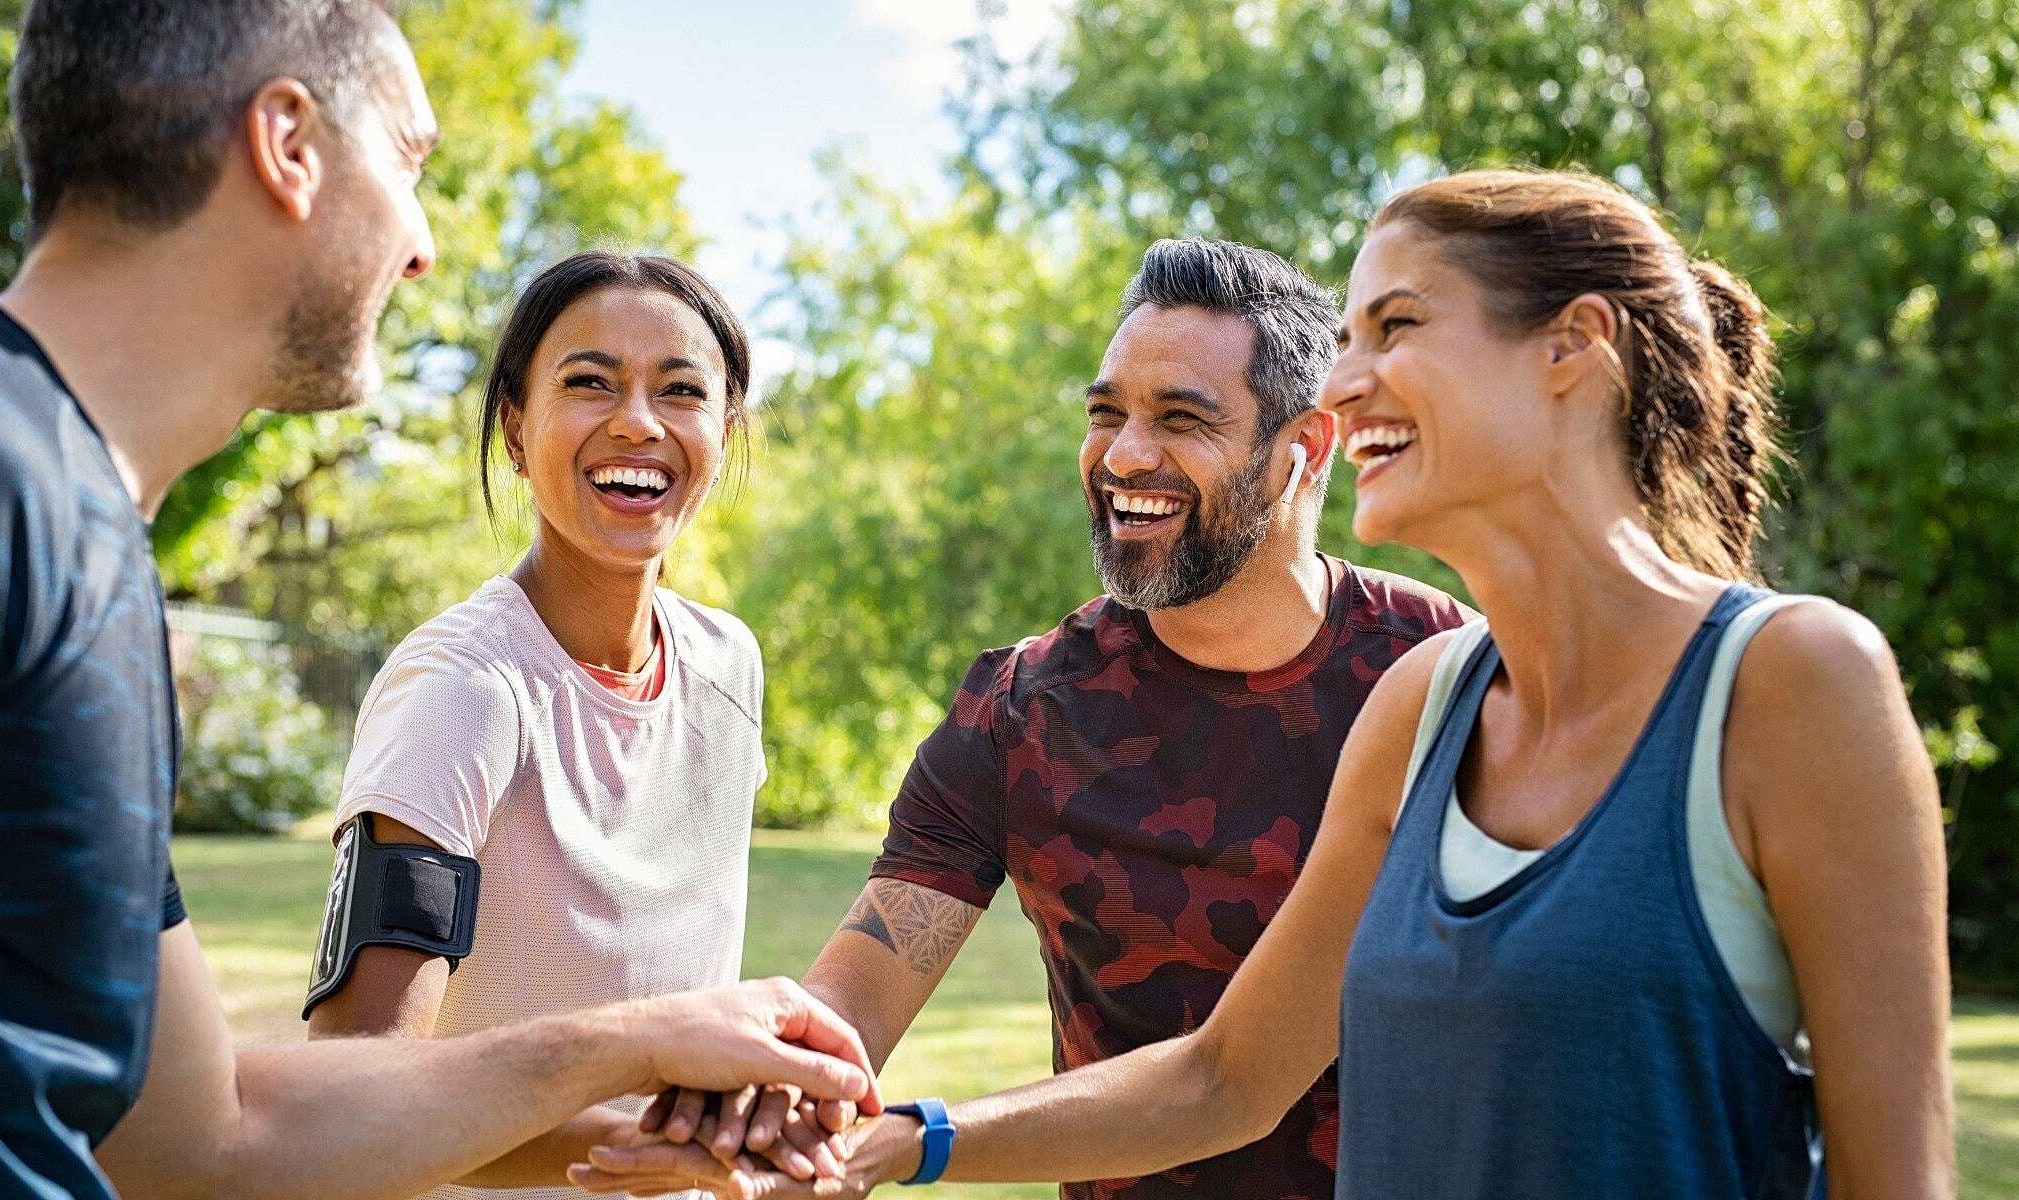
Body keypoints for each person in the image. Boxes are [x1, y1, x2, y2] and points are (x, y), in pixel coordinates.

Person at [579, 170, 1954, 1200]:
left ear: (1570, 348)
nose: (1353, 383)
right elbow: (1222, 1076)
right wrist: (857, 1128)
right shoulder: (1397, 711)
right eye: (1106, 411)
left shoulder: (1764, 682)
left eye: (1395, 326)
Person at [0, 5, 877, 1199]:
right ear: (288, 143)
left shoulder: (90, 551)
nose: (423, 245)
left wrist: (644, 1050)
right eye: (411, 161)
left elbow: (203, 1138)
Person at [622, 238, 1467, 1200]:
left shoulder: (1445, 672)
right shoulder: (1020, 712)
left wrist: (916, 1140)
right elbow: (854, 1000)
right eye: (1107, 415)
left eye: (1181, 419)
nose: (1124, 455)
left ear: (1303, 450)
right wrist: (765, 1102)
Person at [302, 251, 850, 1198]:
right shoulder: (460, 692)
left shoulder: (728, 666)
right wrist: (661, 1129)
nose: (637, 421)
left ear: (725, 431)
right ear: (517, 430)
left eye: (681, 390)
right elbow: (352, 1095)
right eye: (590, 383)